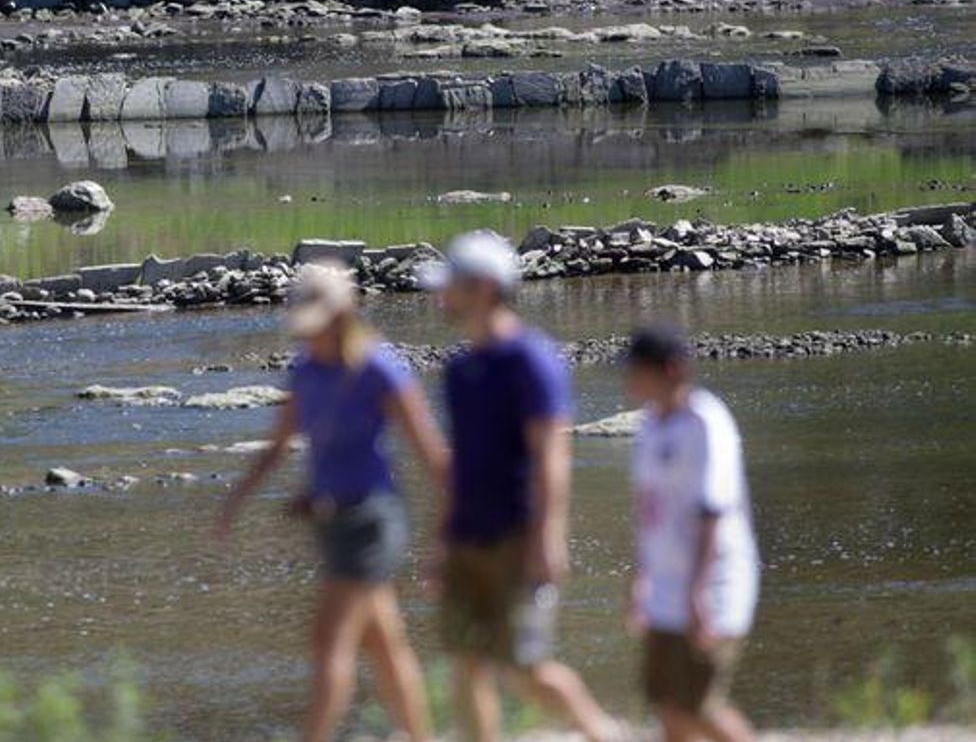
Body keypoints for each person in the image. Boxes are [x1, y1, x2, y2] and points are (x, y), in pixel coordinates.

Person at [214, 262, 449, 742]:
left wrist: (449, 530)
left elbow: (430, 453)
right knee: (385, 645)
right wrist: (234, 502)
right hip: (329, 519)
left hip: (372, 519)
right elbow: (278, 446)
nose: (310, 337)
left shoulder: (379, 366)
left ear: (342, 317)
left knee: (329, 644)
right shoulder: (305, 369)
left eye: (319, 326)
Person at [419, 231, 616, 742]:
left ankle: (604, 733)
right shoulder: (460, 369)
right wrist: (441, 540)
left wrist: (548, 538)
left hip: (515, 536)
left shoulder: (532, 359)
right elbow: (460, 463)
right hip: (466, 537)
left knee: (524, 668)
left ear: (484, 288)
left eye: (451, 286)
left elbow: (552, 453)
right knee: (466, 664)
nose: (442, 298)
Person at [624, 325, 759, 742]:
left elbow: (711, 512)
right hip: (664, 588)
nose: (629, 379)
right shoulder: (649, 426)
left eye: (637, 370)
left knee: (699, 707)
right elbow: (649, 513)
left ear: (672, 370)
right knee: (667, 706)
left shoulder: (706, 422)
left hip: (714, 587)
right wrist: (640, 579)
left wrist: (699, 593)